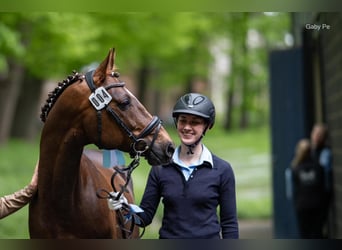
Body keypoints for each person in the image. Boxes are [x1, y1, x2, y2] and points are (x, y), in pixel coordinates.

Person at [108, 93, 239, 239]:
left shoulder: (222, 170)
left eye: (195, 122)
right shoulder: (160, 168)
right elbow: (145, 218)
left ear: (207, 126)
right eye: (183, 121)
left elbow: (229, 224)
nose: (187, 127)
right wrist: (125, 207)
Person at [290, 138, 326, 238]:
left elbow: (294, 189)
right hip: (317, 204)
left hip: (302, 206)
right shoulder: (318, 167)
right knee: (317, 233)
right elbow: (322, 186)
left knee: (305, 234)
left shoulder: (296, 169)